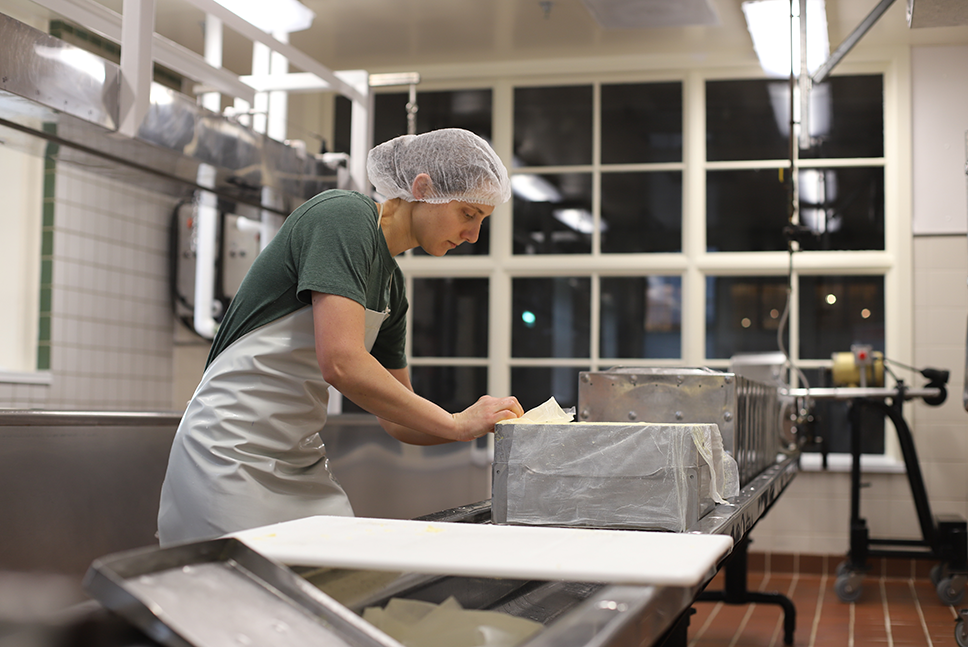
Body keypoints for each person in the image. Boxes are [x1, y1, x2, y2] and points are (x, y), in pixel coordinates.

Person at [157, 128, 524, 546]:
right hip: (227, 453)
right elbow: (342, 363)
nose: (473, 235)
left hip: (297, 460)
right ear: (424, 188)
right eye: (468, 214)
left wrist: (482, 424)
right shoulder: (345, 216)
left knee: (335, 582)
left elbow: (395, 419)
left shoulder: (391, 287)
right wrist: (456, 424)